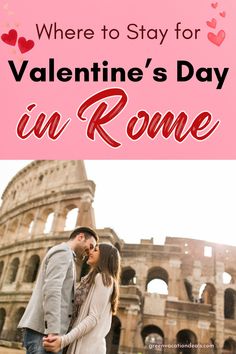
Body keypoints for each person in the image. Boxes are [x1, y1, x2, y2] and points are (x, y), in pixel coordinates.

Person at [18, 226, 98, 354]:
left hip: (45, 332)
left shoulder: (67, 255)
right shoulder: (63, 252)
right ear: (80, 237)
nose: (90, 251)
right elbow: (52, 290)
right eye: (91, 245)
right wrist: (53, 331)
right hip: (45, 333)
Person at [43, 243, 121, 354]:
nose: (91, 252)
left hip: (86, 348)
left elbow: (93, 318)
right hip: (82, 344)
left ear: (104, 256)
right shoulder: (92, 279)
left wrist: (63, 341)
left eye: (95, 250)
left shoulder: (104, 278)